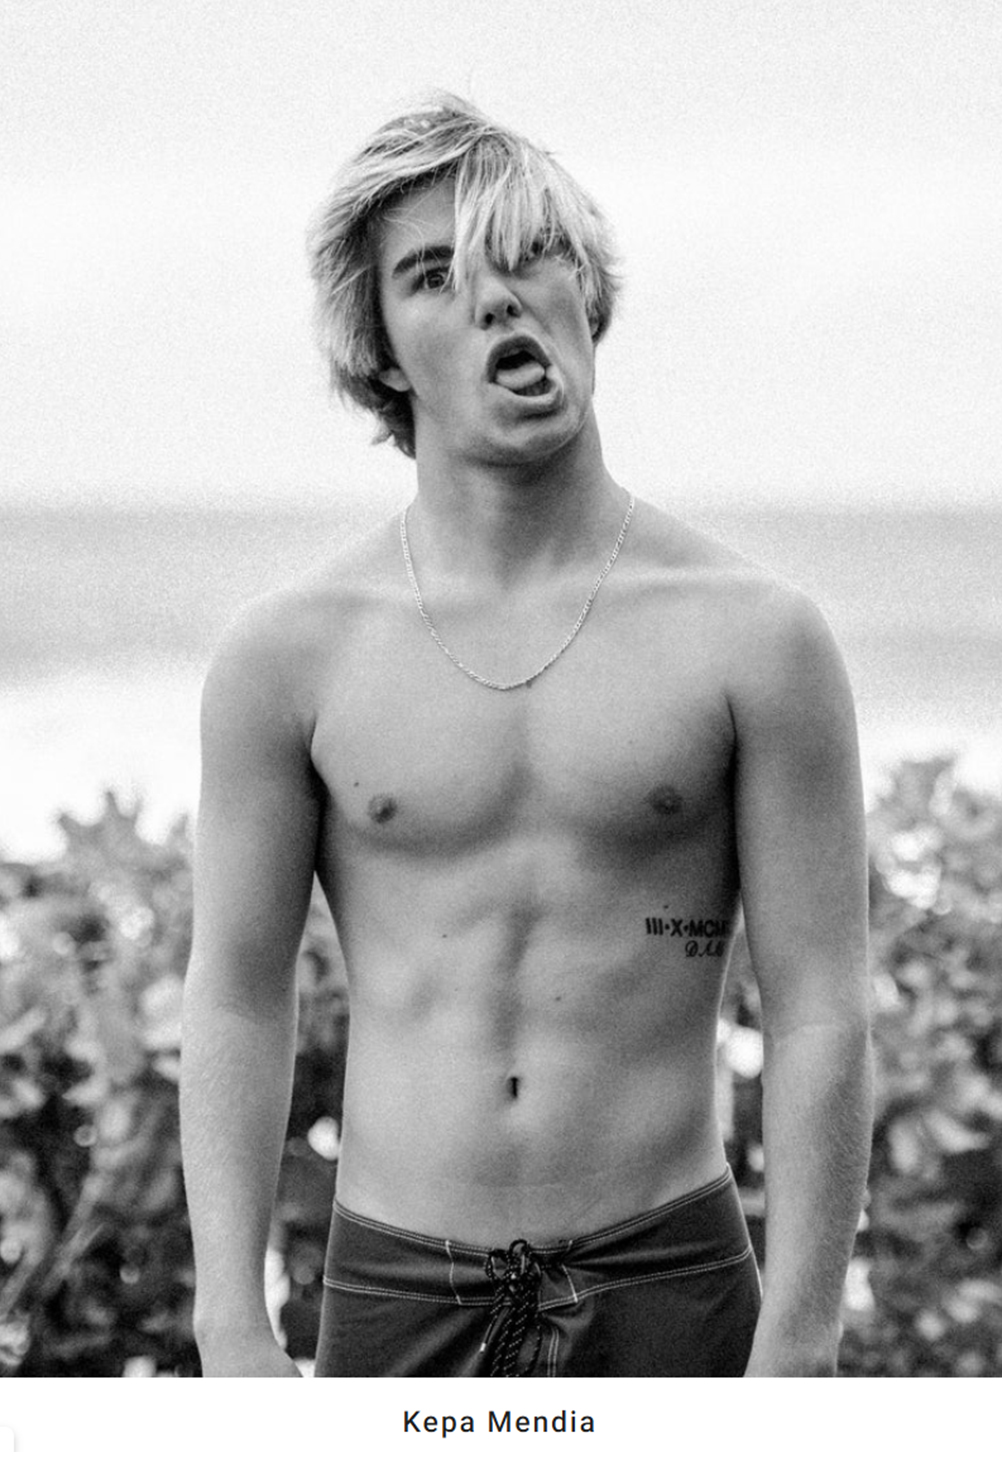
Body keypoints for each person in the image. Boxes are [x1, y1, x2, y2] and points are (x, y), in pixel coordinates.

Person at [179, 95, 873, 1378]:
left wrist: (801, 1337)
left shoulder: (757, 639)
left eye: (527, 254)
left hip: (671, 1278)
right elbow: (235, 991)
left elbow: (821, 1004)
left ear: (585, 297)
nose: (494, 295)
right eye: (433, 276)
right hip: (395, 1286)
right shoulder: (291, 656)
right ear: (383, 351)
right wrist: (231, 1318)